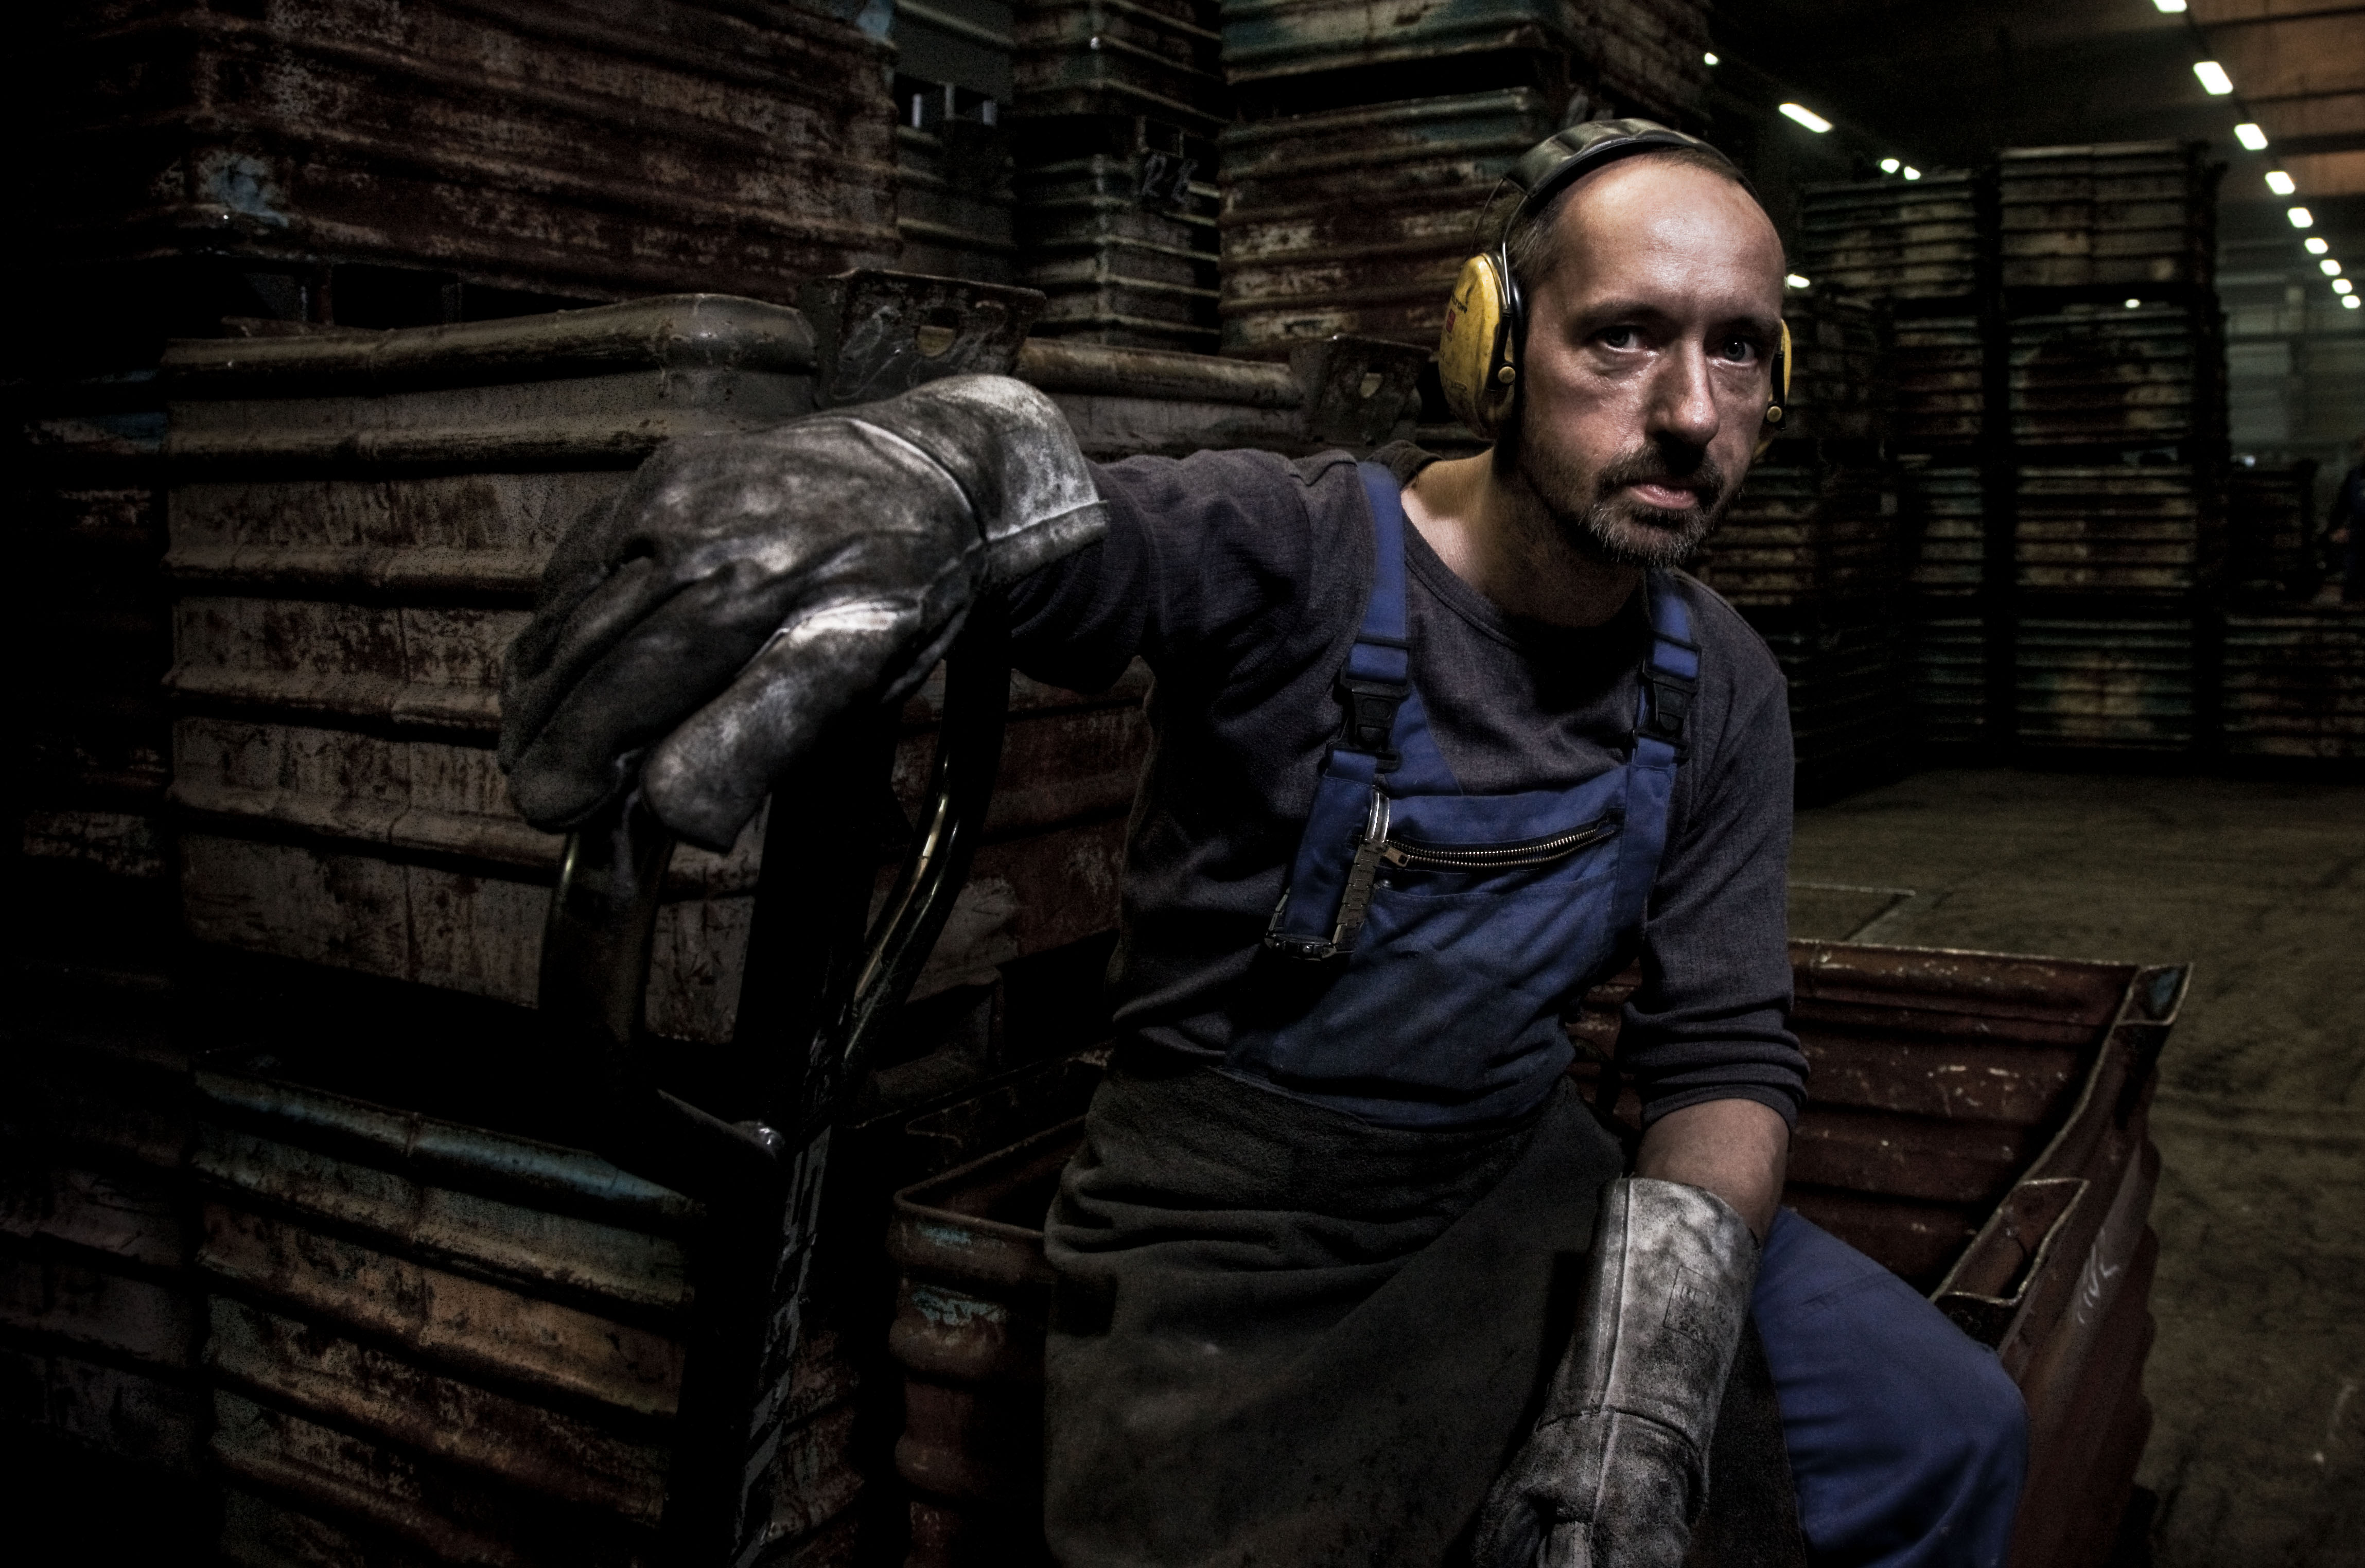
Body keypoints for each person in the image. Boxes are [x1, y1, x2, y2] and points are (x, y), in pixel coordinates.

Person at [499, 121, 2028, 1568]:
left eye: (1736, 349)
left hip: (1522, 1178)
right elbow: (1088, 548)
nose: (1687, 412)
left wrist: (1645, 1382)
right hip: (1232, 1242)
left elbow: (1720, 1057)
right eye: (1620, 335)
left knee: (1946, 1425)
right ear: (1493, 350)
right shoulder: (1296, 550)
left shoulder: (1722, 684)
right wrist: (959, 474)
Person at [2328, 430, 2365, 604]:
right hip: (2357, 541)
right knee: (2353, 585)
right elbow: (2341, 507)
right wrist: (2335, 529)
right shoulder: (2355, 476)